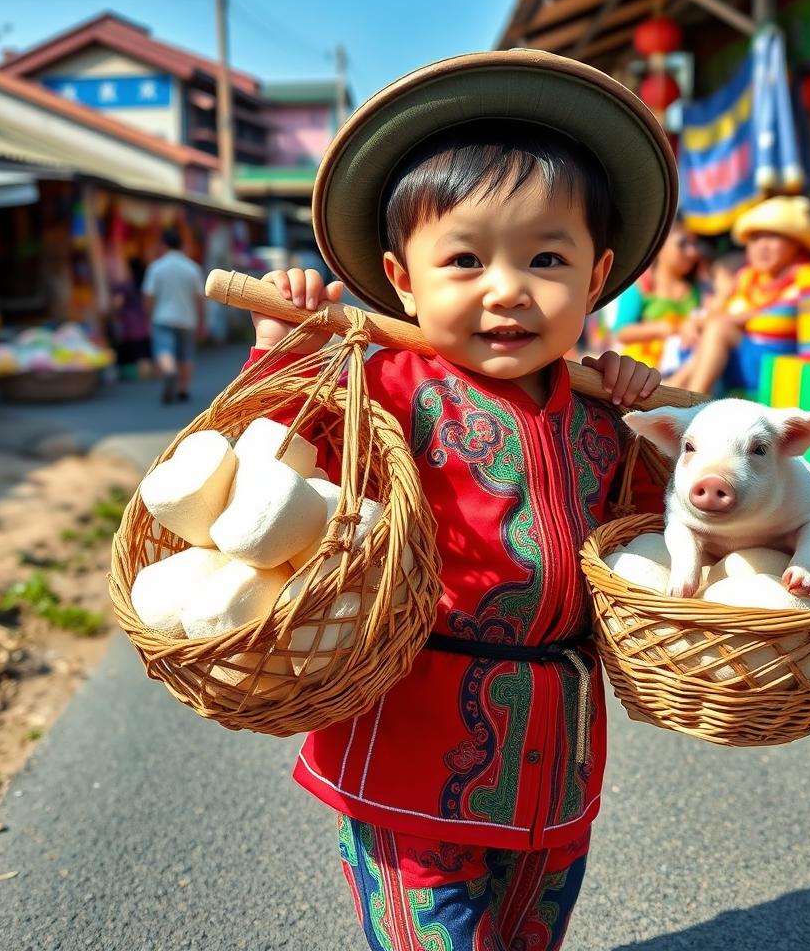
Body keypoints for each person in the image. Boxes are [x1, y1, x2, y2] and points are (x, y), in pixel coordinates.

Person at [239, 51, 678, 950]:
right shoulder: (386, 386)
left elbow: (661, 539)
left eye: (546, 258)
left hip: (557, 741)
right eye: (466, 259)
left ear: (596, 279)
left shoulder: (599, 420)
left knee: (529, 936)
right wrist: (279, 351)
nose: (508, 289)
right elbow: (270, 470)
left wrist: (651, 418)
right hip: (410, 734)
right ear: (403, 279)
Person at [665, 196, 810, 395]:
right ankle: (675, 390)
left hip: (776, 366)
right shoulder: (746, 278)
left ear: (797, 243)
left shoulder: (807, 278)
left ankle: (691, 398)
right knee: (707, 332)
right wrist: (695, 321)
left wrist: (724, 320)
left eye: (773, 237)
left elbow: (767, 314)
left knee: (719, 329)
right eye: (755, 238)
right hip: (738, 362)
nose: (762, 246)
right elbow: (714, 312)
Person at [609, 218, 702, 376]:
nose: (692, 252)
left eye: (694, 245)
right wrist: (666, 328)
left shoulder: (697, 291)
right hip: (641, 370)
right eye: (683, 244)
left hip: (683, 367)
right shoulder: (641, 287)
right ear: (660, 245)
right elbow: (622, 332)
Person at [142, 226, 206, 403]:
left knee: (164, 350)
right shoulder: (192, 268)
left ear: (163, 245)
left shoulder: (156, 268)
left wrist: (149, 315)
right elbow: (199, 298)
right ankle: (183, 389)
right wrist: (202, 321)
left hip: (162, 317)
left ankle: (169, 371)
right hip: (187, 319)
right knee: (186, 355)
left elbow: (149, 296)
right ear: (181, 245)